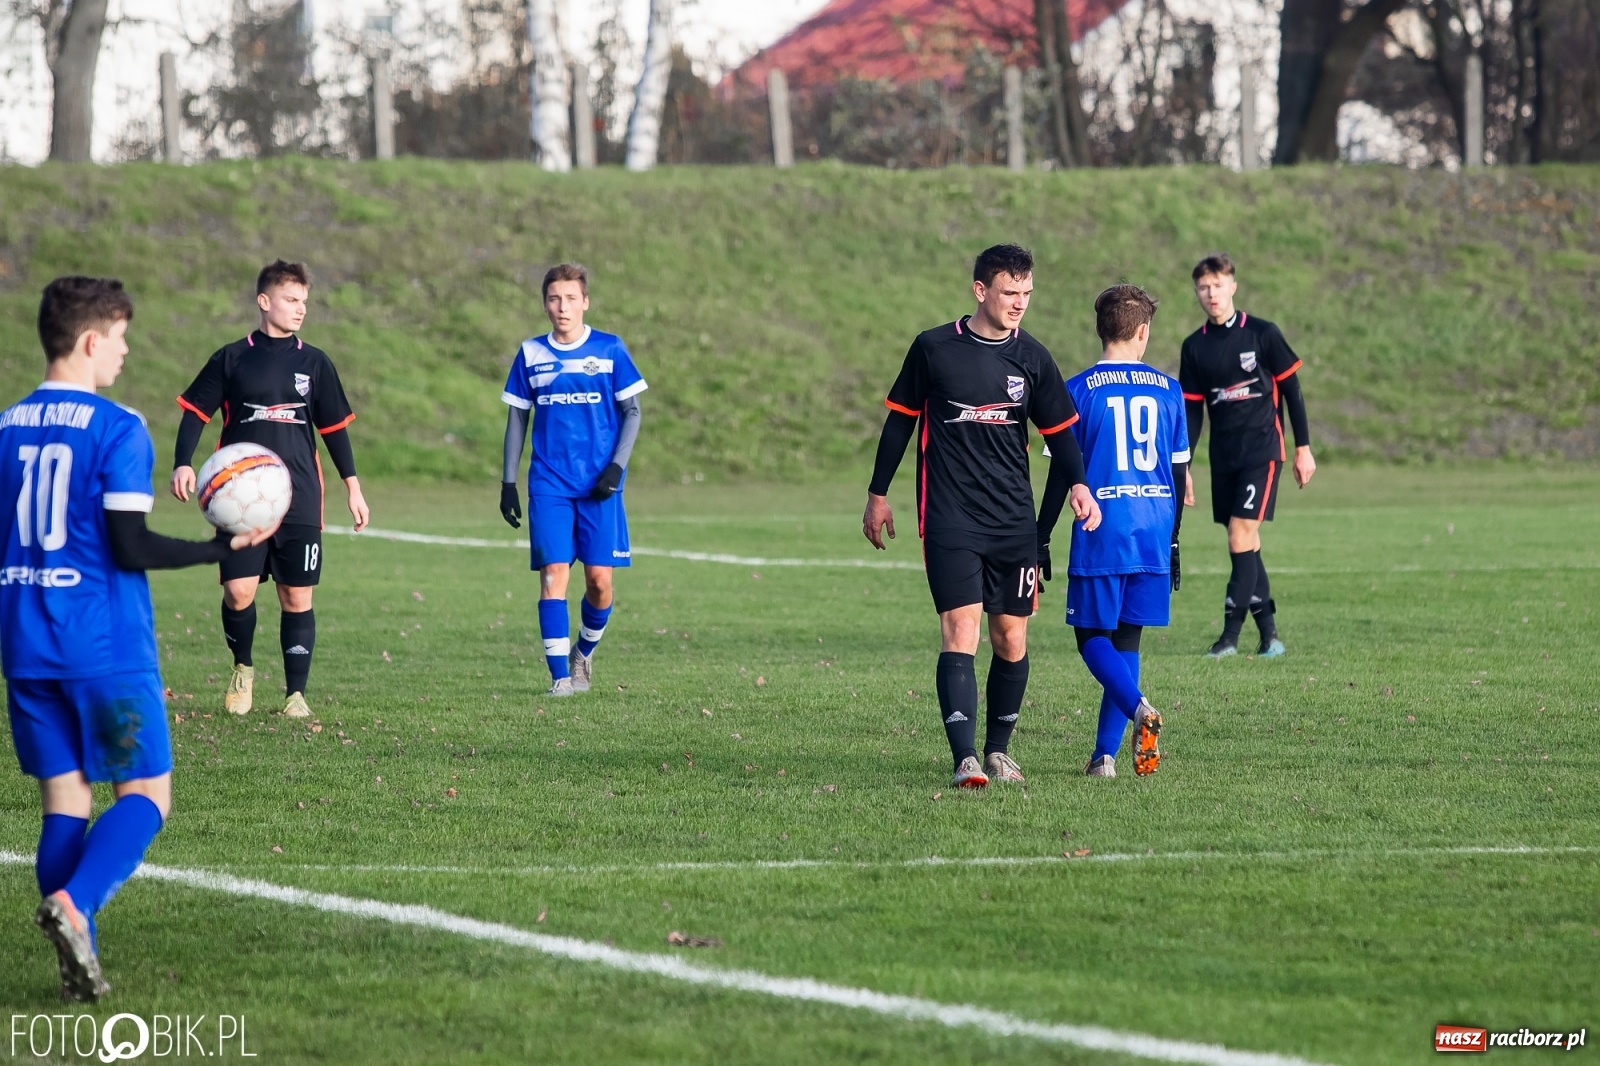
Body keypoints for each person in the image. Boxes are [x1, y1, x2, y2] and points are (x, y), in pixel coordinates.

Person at [3, 277, 273, 1002]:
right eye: (120, 338)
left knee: (65, 799)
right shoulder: (117, 428)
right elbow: (129, 545)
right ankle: (74, 907)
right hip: (105, 649)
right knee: (148, 793)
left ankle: (74, 948)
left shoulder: (5, 427)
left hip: (26, 646)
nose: (124, 353)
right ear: (91, 341)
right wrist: (222, 552)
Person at [863, 244, 1100, 789]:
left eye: (1027, 294)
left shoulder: (1034, 358)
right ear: (980, 291)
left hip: (1013, 521)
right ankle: (965, 758)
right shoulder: (933, 348)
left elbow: (1061, 434)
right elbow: (898, 423)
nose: (1020, 303)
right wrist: (878, 493)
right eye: (1010, 292)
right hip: (950, 517)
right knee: (960, 628)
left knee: (1010, 638)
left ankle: (999, 751)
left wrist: (1080, 486)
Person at [170, 259, 369, 718]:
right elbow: (194, 413)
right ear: (265, 302)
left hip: (299, 496)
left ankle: (295, 695)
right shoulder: (231, 357)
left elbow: (335, 430)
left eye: (304, 301)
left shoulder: (314, 362)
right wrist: (183, 462)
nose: (300, 309)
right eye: (291, 300)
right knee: (239, 591)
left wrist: (352, 488)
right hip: (238, 503)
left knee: (297, 596)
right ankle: (243, 666)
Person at [1037, 285, 1188, 778]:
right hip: (1154, 527)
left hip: (1102, 525)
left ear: (1100, 329)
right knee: (1127, 641)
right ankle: (1104, 759)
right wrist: (1174, 538)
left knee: (1089, 637)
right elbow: (1180, 474)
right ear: (1143, 331)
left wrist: (1041, 536)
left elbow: (1063, 473)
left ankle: (1139, 708)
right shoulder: (1170, 391)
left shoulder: (1078, 390)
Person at [500, 263, 646, 698]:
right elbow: (516, 419)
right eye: (552, 298)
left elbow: (633, 412)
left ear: (585, 302)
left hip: (600, 484)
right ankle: (561, 679)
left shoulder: (609, 350)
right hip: (549, 483)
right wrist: (508, 481)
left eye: (569, 298)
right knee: (553, 573)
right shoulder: (530, 354)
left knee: (600, 582)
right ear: (544, 303)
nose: (561, 307)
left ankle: (583, 652)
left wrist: (616, 468)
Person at [1178, 253, 1315, 658]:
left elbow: (1292, 390)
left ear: (1232, 286)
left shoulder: (1262, 334)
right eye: (1203, 287)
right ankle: (1270, 636)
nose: (1211, 294)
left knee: (1240, 535)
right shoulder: (1194, 348)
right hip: (1224, 458)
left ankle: (1229, 637)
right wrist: (1183, 465)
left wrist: (1303, 449)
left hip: (1263, 451)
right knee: (1245, 543)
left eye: (1218, 285)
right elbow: (1192, 412)